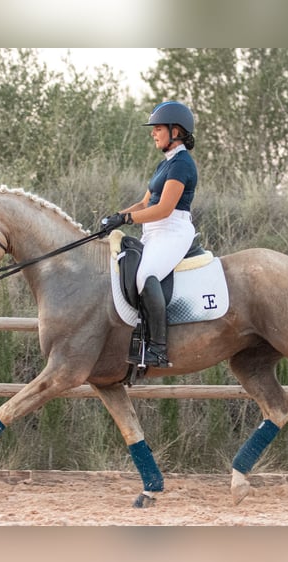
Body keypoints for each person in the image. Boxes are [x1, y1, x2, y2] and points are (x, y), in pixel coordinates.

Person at [101, 100, 198, 368]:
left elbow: (164, 209)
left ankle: (158, 348)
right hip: (154, 231)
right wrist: (117, 216)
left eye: (157, 128)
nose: (152, 133)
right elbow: (145, 204)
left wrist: (128, 218)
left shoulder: (182, 165)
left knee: (146, 275)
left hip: (173, 230)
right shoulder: (163, 165)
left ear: (175, 131)